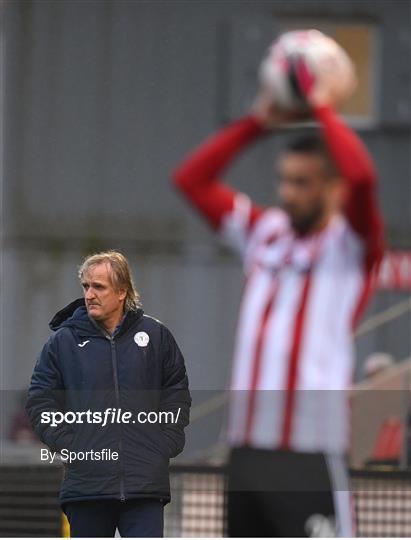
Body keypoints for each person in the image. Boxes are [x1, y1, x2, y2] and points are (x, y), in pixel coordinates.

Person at [172, 63, 384, 536]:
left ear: (333, 188)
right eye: (284, 180)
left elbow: (365, 180)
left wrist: (322, 107)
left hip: (308, 450)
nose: (287, 193)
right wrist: (260, 121)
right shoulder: (265, 232)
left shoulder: (350, 247)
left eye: (302, 182)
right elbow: (191, 180)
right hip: (247, 449)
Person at [26, 250, 191, 537]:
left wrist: (165, 441)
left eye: (98, 287)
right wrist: (70, 445)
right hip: (87, 487)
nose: (89, 294)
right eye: (86, 286)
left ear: (122, 292)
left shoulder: (156, 337)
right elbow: (40, 400)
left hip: (144, 487)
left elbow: (176, 391)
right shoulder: (62, 342)